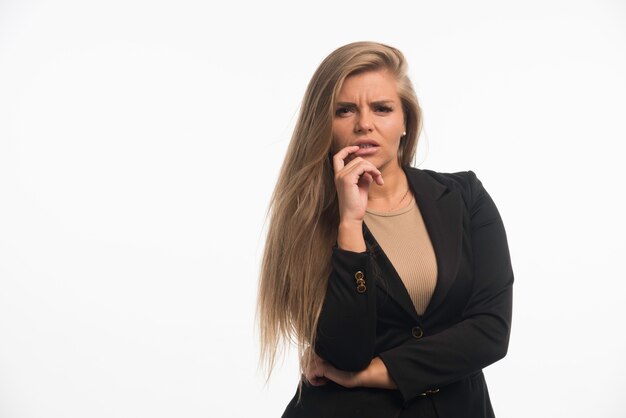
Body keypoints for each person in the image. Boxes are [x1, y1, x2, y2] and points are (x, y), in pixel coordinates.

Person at [257, 41, 513, 418]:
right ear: (324, 126)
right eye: (344, 110)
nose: (364, 124)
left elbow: (491, 332)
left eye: (382, 108)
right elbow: (346, 352)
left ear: (405, 120)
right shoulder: (308, 221)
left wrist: (375, 373)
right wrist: (350, 225)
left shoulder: (464, 197)